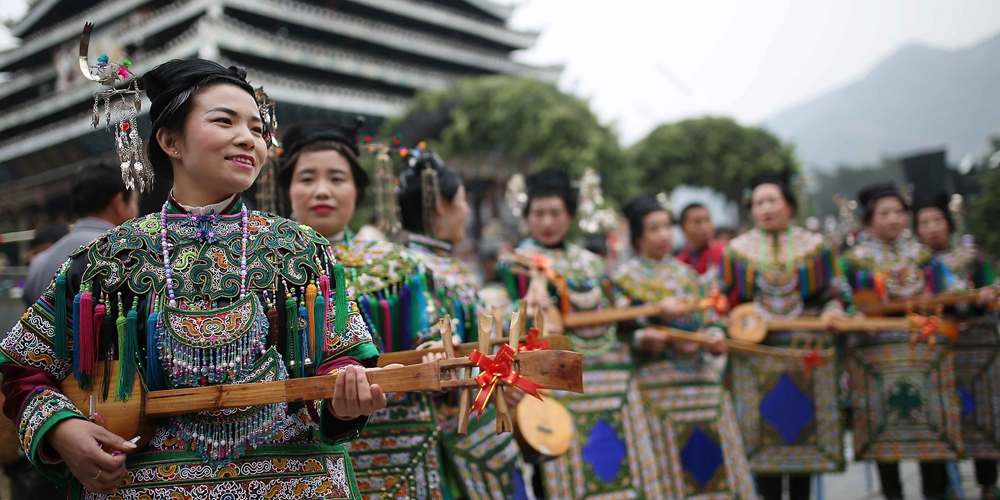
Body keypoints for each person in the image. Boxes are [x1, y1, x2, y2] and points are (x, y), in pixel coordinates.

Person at [0, 58, 387, 498]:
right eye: (225, 121)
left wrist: (346, 396)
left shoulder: (301, 248)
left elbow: (344, 358)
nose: (249, 138)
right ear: (170, 141)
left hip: (292, 482)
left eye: (258, 129)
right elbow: (24, 368)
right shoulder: (107, 259)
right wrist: (62, 430)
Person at [278, 120, 448, 498]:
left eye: (337, 178)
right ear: (287, 189)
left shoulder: (400, 265)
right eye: (307, 179)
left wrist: (433, 349)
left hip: (400, 447)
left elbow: (433, 329)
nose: (322, 190)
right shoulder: (263, 270)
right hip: (302, 458)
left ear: (357, 189)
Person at [494, 169, 660, 498]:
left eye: (555, 213)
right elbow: (503, 316)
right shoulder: (516, 264)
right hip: (554, 378)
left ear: (569, 215)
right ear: (528, 217)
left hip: (608, 378)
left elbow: (616, 313)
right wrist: (524, 305)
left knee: (613, 459)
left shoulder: (592, 264)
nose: (547, 221)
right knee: (558, 467)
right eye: (539, 213)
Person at [396, 151, 527, 499]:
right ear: (441, 206)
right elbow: (439, 343)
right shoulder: (416, 268)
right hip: (454, 429)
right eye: (463, 201)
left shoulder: (441, 264)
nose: (467, 211)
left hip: (475, 418)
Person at [613, 195, 757, 498]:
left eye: (667, 226)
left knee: (710, 458)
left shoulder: (687, 275)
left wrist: (715, 336)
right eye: (654, 229)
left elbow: (712, 318)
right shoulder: (623, 279)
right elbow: (618, 331)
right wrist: (641, 338)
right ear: (638, 235)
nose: (665, 235)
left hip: (699, 377)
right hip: (654, 382)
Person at [721, 171, 848, 500]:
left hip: (805, 354)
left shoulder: (815, 247)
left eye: (772, 200)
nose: (765, 208)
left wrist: (834, 309)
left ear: (789, 205)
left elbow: (835, 292)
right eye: (758, 202)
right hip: (755, 358)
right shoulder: (737, 251)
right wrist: (719, 324)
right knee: (763, 444)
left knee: (803, 437)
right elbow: (720, 299)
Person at [841, 183, 959, 500]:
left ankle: (936, 492)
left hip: (923, 353)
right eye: (884, 213)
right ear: (869, 220)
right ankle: (892, 493)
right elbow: (843, 300)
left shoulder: (924, 258)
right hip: (874, 358)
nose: (893, 219)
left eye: (898, 212)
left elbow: (947, 298)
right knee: (883, 434)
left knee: (930, 431)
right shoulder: (855, 262)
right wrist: (855, 316)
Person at [914, 191, 998, 500]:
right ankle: (938, 488)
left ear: (948, 223)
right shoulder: (913, 265)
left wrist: (987, 297)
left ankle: (988, 483)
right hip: (930, 348)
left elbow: (991, 289)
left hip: (974, 346)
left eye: (937, 219)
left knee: (980, 411)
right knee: (931, 417)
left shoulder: (971, 257)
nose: (932, 227)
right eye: (924, 222)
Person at [23, 161, 139, 307]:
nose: (136, 211)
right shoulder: (129, 253)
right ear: (119, 202)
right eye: (135, 202)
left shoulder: (38, 263)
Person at [677, 203, 725, 286]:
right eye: (697, 222)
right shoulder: (678, 263)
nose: (705, 226)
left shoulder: (724, 253)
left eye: (708, 220)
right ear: (683, 228)